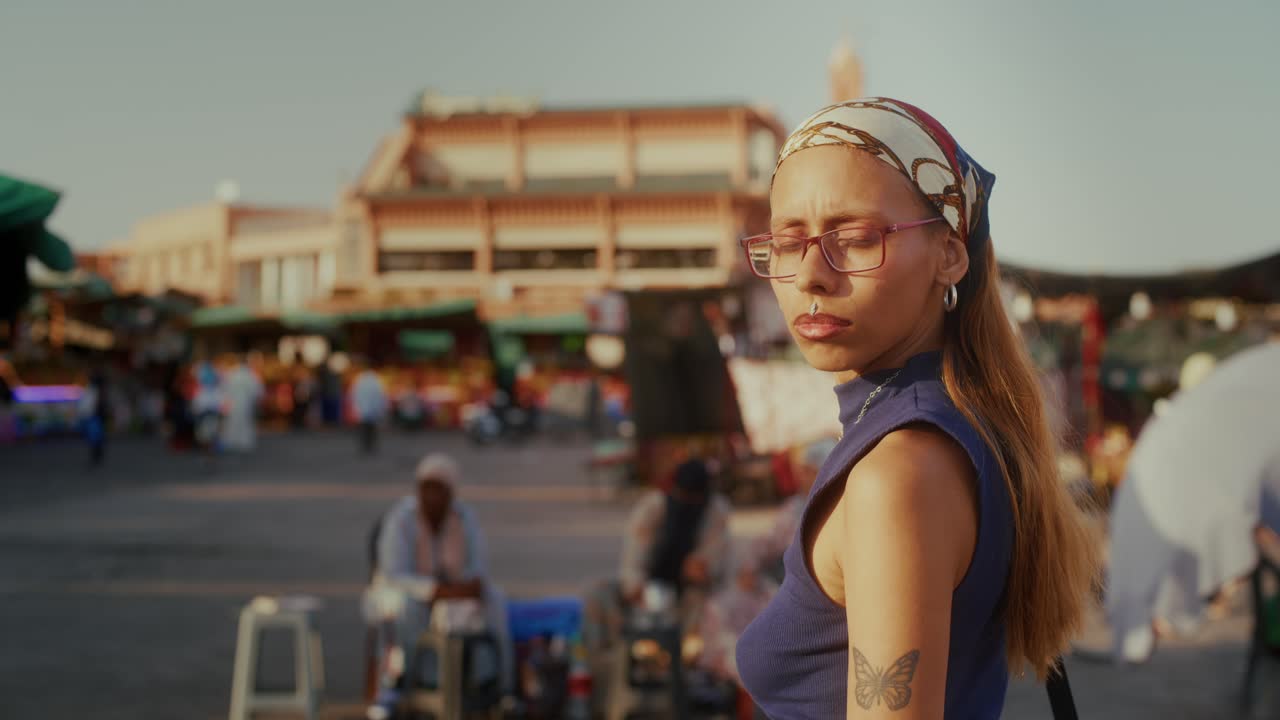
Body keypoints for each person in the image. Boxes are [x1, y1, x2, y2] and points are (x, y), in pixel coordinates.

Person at [733, 98, 1098, 718]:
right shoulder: (940, 427)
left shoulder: (899, 474)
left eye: (855, 238)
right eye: (789, 242)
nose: (812, 275)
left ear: (950, 254)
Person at [363, 454, 513, 716]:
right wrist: (434, 591)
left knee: (495, 599)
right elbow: (393, 574)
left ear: (450, 493)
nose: (432, 497)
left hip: (451, 592)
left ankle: (498, 687)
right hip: (400, 593)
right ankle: (403, 685)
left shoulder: (464, 518)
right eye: (426, 489)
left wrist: (465, 588)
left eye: (439, 491)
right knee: (409, 609)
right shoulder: (402, 518)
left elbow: (476, 567)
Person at [582, 459, 733, 663]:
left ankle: (683, 666)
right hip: (646, 592)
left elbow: (710, 565)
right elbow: (633, 559)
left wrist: (699, 569)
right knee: (597, 595)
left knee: (708, 609)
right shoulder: (652, 507)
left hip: (689, 594)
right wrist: (638, 589)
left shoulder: (716, 511)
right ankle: (602, 663)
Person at [753, 436, 837, 582]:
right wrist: (750, 565)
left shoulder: (840, 510)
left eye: (810, 472)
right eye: (803, 471)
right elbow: (768, 543)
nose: (802, 478)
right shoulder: (794, 506)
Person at [221, 354, 264, 452]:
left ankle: (232, 441)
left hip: (233, 402)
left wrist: (225, 401)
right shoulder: (250, 375)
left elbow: (224, 389)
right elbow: (257, 390)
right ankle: (244, 442)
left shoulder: (231, 373)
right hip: (246, 403)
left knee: (232, 422)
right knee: (245, 422)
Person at [351, 364, 388, 454]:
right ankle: (371, 446)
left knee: (364, 430)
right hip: (373, 410)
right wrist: (380, 409)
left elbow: (355, 395)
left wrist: (357, 407)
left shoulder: (360, 380)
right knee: (372, 430)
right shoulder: (376, 381)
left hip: (363, 410)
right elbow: (380, 396)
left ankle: (365, 446)